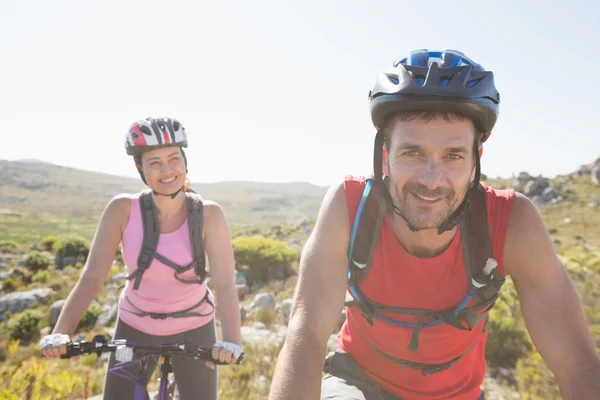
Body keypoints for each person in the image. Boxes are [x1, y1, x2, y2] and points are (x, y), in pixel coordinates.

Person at [268, 49, 600, 400]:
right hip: (358, 384)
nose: (431, 179)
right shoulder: (351, 207)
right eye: (412, 152)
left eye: (453, 156)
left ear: (476, 160)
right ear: (385, 155)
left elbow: (576, 364)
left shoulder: (512, 222)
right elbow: (305, 335)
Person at [39, 117, 243, 400]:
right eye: (154, 163)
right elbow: (93, 276)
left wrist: (231, 343)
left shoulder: (209, 214)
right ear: (140, 169)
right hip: (135, 327)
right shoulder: (122, 210)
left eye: (174, 158)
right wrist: (61, 333)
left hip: (195, 329)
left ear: (185, 161)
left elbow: (224, 282)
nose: (167, 170)